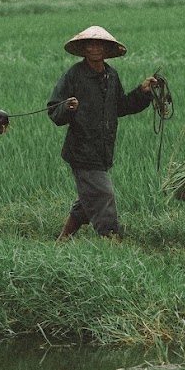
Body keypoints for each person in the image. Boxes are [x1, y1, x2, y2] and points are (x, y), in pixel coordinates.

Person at [48, 25, 156, 240]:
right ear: (83, 48)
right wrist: (67, 108)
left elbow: (122, 106)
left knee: (88, 198)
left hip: (103, 149)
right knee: (103, 195)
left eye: (100, 45)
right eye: (90, 44)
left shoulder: (111, 75)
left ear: (108, 50)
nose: (95, 48)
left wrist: (143, 92)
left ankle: (62, 240)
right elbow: (54, 110)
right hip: (81, 149)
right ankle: (111, 240)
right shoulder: (74, 75)